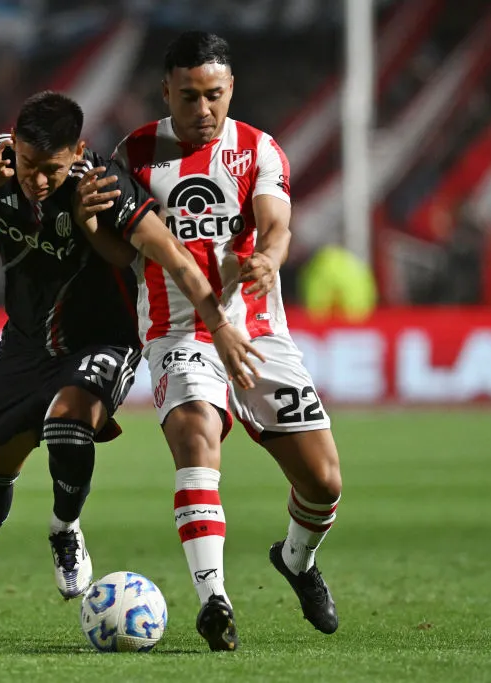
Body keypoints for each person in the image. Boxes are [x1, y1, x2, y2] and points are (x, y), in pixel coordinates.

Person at [0, 91, 261, 637]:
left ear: (78, 153)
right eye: (27, 164)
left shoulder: (102, 183)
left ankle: (65, 527)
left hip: (102, 341)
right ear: (12, 145)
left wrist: (219, 322)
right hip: (24, 344)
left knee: (68, 422)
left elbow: (165, 252)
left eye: (51, 169)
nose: (37, 181)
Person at [76, 32, 344, 650]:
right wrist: (92, 223)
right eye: (190, 96)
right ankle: (214, 601)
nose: (203, 110)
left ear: (231, 91)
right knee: (196, 432)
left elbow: (277, 224)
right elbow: (126, 247)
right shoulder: (135, 152)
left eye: (214, 95)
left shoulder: (257, 149)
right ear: (166, 90)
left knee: (324, 483)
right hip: (177, 331)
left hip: (258, 334)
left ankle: (297, 562)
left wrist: (270, 260)